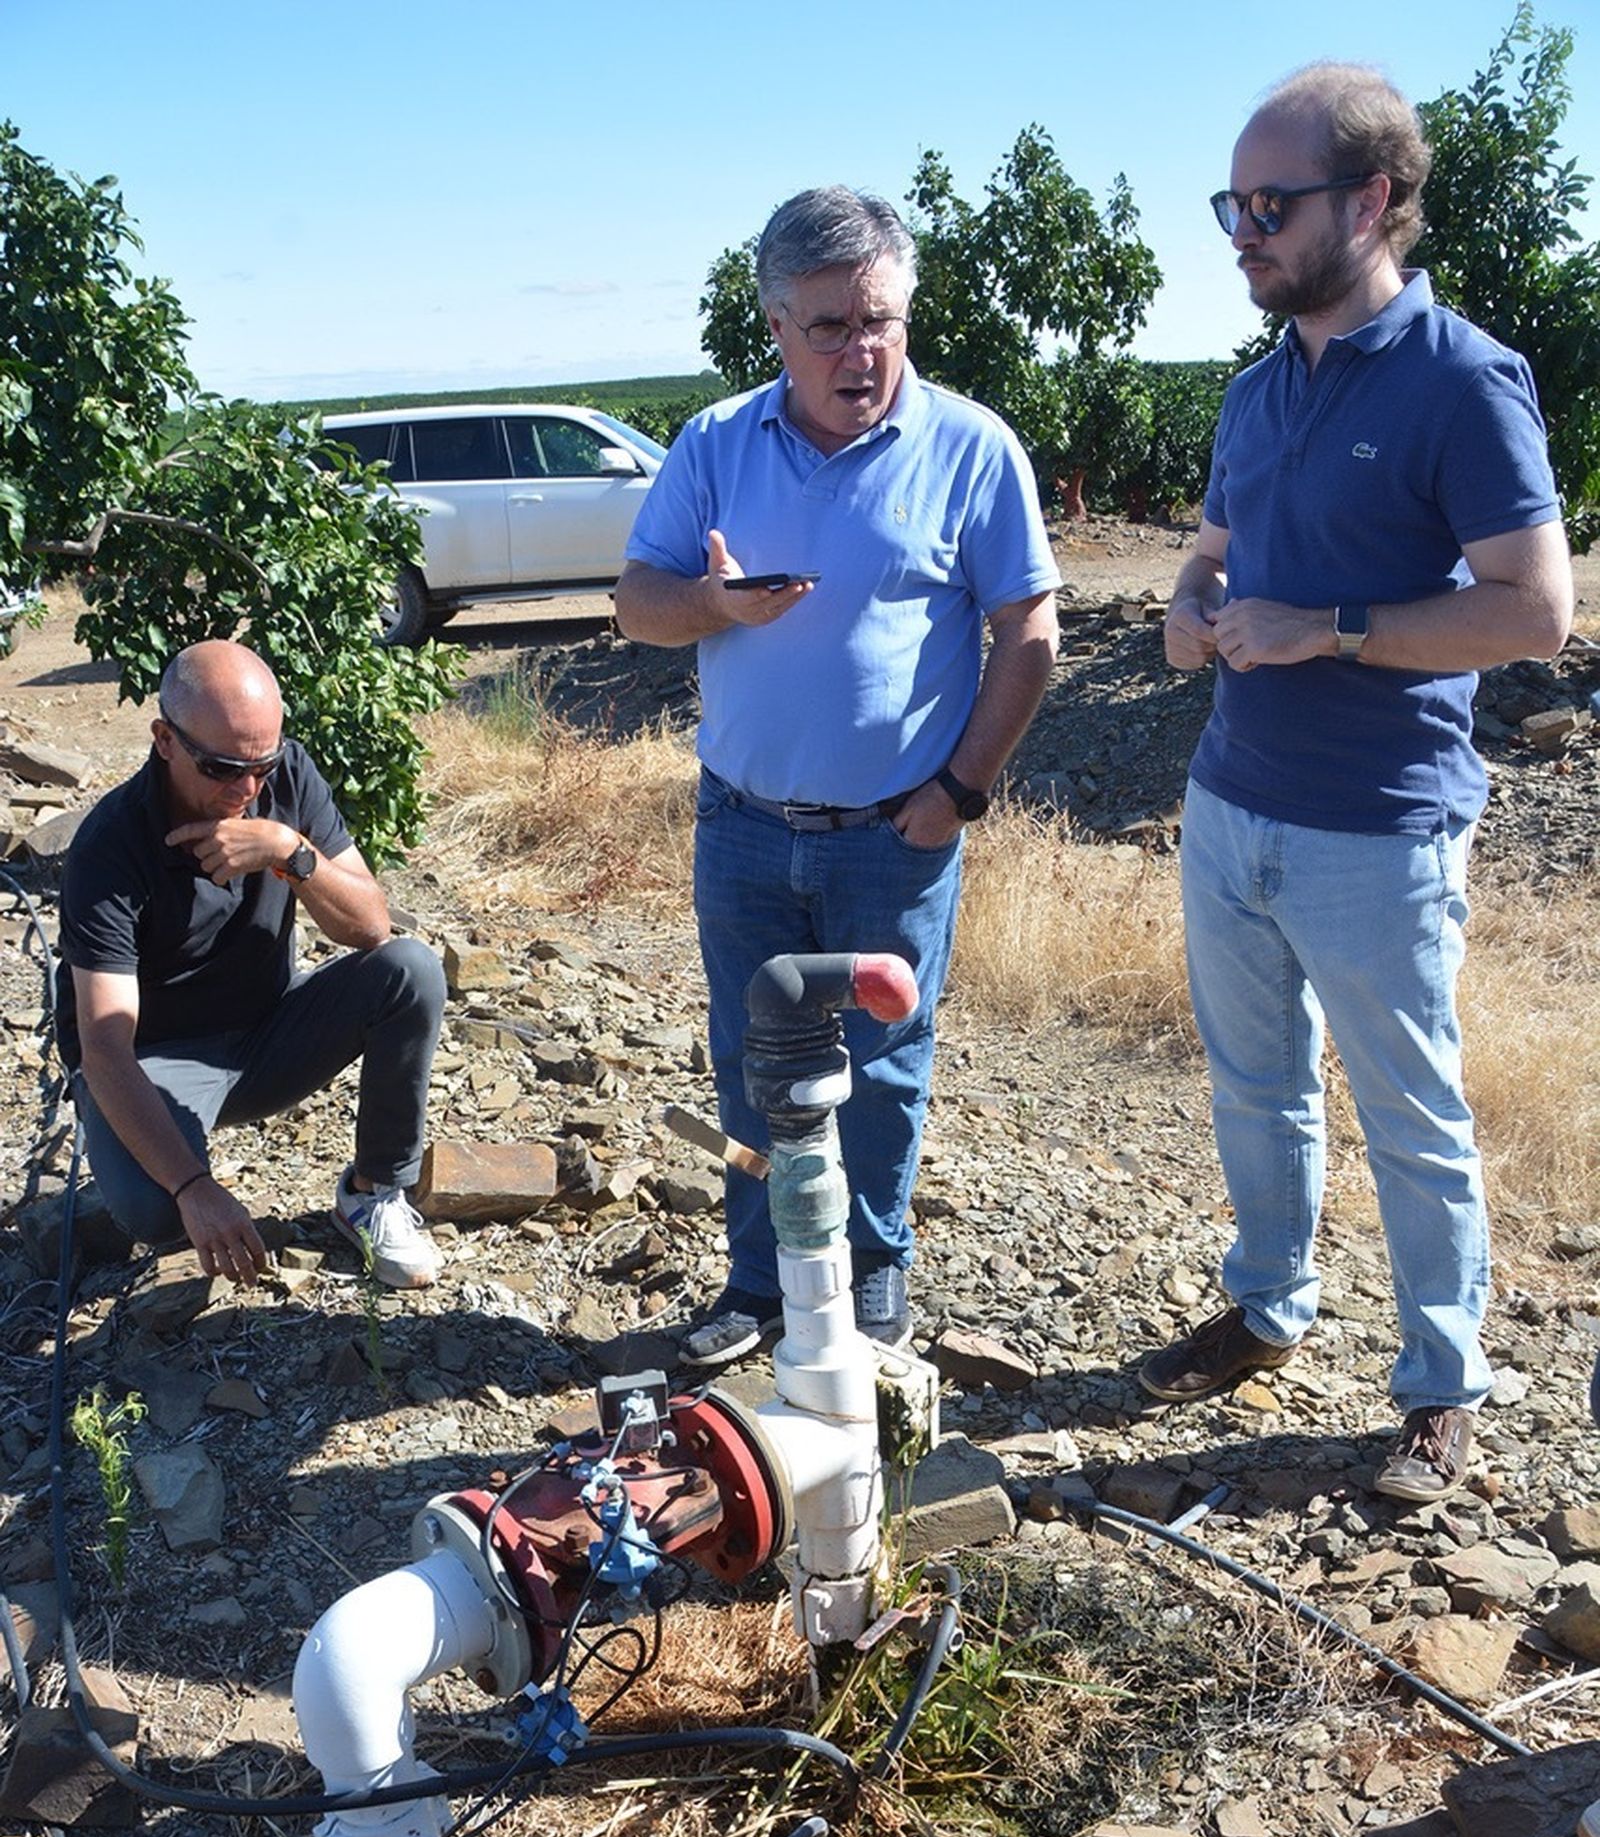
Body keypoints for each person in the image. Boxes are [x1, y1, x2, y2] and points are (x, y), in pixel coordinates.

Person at [1146, 64, 1573, 1501]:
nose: (1242, 232)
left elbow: (1534, 613)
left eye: (1271, 205)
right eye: (1233, 204)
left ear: (1376, 200)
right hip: (1231, 802)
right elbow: (1207, 551)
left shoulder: (1464, 378)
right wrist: (1190, 604)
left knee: (1413, 1116)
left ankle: (1442, 1385)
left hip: (1380, 825)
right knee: (1254, 1087)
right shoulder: (1260, 388)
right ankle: (1268, 1307)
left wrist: (1330, 631)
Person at [614, 186, 1059, 1363]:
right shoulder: (714, 445)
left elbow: (1030, 635)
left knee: (882, 1064)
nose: (861, 352)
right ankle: (759, 1284)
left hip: (891, 836)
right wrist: (711, 601)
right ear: (773, 324)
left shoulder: (972, 448)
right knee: (752, 1055)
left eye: (881, 321)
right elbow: (637, 603)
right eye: (829, 327)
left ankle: (870, 1271)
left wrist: (958, 792)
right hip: (745, 826)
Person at [57, 640, 446, 1289]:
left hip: (265, 1033)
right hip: (157, 1062)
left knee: (410, 970)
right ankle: (168, 1169)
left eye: (260, 765)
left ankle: (372, 1193)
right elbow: (104, 1047)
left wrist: (288, 851)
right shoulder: (110, 847)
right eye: (221, 767)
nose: (246, 788)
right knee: (156, 1210)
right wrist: (193, 1185)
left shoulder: (286, 778)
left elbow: (371, 925)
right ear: (165, 740)